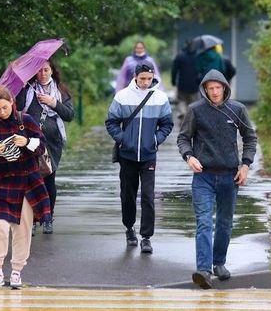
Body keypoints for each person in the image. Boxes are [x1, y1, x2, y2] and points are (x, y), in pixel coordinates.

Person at [177, 69, 257, 289]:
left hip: (230, 176)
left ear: (224, 88)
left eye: (217, 88)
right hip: (203, 176)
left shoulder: (237, 109)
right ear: (204, 89)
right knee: (204, 221)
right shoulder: (195, 110)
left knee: (224, 223)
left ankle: (219, 263)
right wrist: (189, 156)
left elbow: (250, 138)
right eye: (210, 88)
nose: (214, 92)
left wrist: (246, 165)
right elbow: (183, 139)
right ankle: (203, 270)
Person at [0, 85, 51, 288]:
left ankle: (17, 271)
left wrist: (26, 141)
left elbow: (42, 146)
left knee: (22, 229)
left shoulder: (25, 120)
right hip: (1, 181)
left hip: (27, 181)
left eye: (4, 107)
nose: (1, 112)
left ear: (11, 102)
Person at [105, 60, 174, 254]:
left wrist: (155, 140)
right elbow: (111, 122)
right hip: (127, 154)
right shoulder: (122, 96)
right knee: (127, 194)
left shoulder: (160, 98)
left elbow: (167, 124)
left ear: (153, 78)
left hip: (148, 154)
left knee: (148, 196)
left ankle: (146, 237)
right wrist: (122, 139)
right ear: (135, 77)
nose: (145, 82)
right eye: (142, 78)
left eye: (149, 79)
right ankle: (129, 228)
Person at [16, 59, 74, 234]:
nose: (42, 74)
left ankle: (48, 217)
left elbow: (70, 115)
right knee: (31, 180)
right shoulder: (28, 89)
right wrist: (22, 87)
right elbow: (17, 108)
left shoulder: (61, 91)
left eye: (46, 70)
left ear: (52, 71)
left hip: (52, 143)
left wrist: (53, 103)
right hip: (31, 141)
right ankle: (32, 219)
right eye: (39, 71)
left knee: (49, 179)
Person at [171, 40, 199, 119]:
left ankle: (183, 112)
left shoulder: (179, 56)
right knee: (193, 103)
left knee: (181, 100)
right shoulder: (197, 56)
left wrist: (173, 81)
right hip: (195, 85)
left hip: (182, 84)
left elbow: (174, 70)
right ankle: (191, 118)